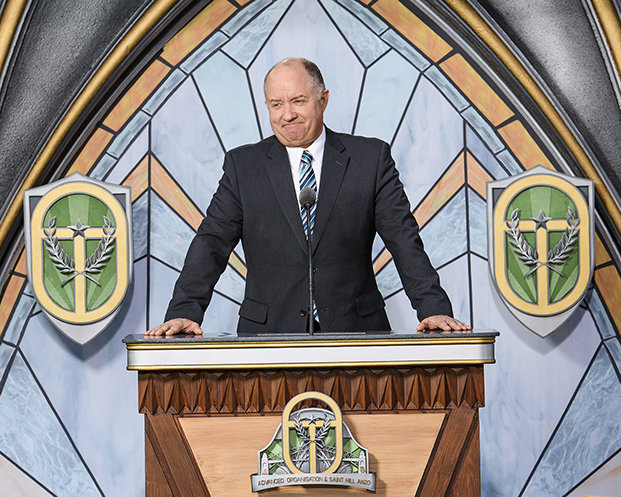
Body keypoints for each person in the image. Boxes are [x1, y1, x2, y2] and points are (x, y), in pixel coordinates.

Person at [146, 58, 470, 337]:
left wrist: (433, 308)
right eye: (276, 104)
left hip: (356, 335)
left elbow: (403, 238)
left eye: (298, 101)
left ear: (323, 99)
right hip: (268, 338)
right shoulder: (243, 166)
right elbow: (212, 242)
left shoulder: (370, 159)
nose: (287, 114)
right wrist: (184, 311)